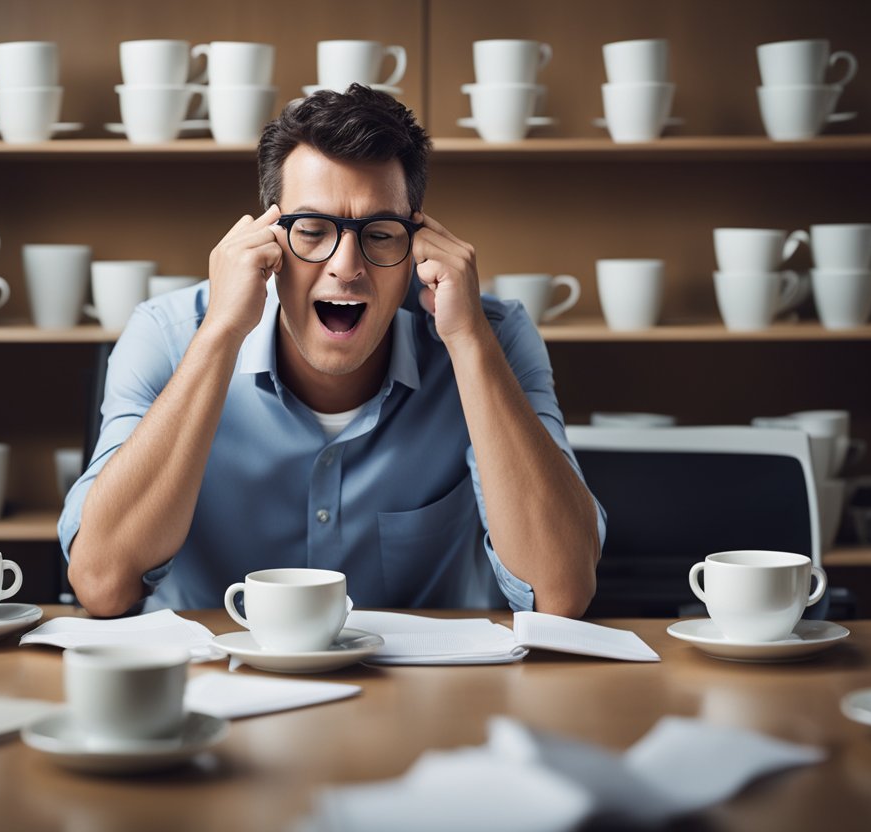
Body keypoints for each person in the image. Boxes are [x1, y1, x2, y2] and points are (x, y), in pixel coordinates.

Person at [61, 85, 604, 618]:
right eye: (314, 230)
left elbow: (560, 591)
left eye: (381, 233)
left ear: (417, 242)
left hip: (426, 699)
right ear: (268, 241)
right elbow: (103, 584)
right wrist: (221, 333)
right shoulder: (167, 332)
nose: (346, 266)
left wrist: (468, 344)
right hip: (212, 691)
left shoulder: (493, 336)